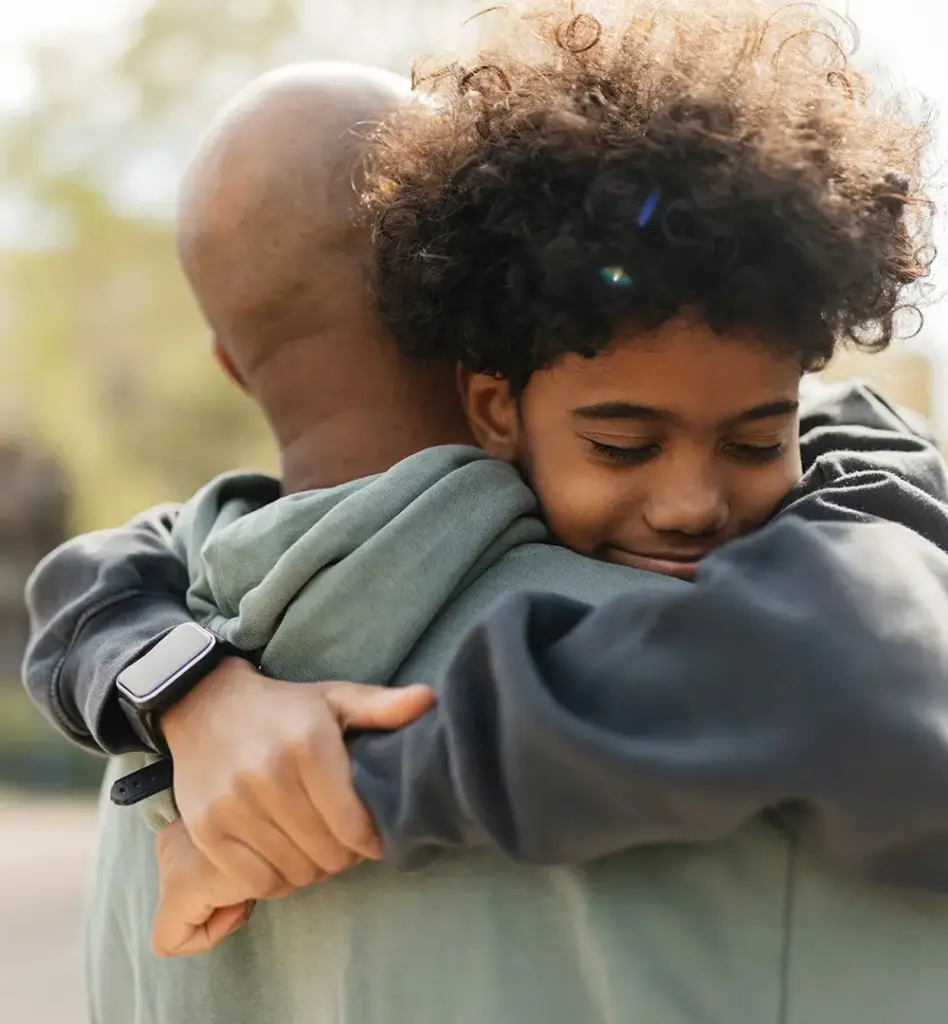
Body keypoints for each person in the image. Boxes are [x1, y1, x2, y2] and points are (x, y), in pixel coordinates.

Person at [21, 12, 948, 1024]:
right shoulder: (731, 658)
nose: (692, 503)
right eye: (623, 443)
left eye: (759, 436)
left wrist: (189, 692)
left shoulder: (146, 757)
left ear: (230, 365)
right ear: (490, 378)